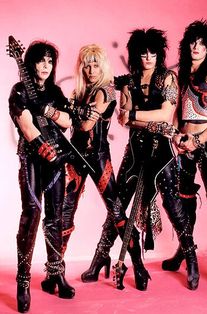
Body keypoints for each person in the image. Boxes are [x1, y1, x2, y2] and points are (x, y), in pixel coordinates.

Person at [81, 28, 199, 291]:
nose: (148, 57)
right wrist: (138, 117)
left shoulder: (166, 77)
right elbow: (123, 119)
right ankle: (101, 256)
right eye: (143, 52)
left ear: (159, 54)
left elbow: (166, 115)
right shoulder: (129, 81)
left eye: (152, 52)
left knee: (172, 204)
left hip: (162, 152)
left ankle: (191, 256)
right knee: (118, 203)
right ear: (136, 55)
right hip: (135, 151)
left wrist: (135, 115)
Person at [60, 44, 150, 291]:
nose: (90, 69)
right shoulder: (81, 91)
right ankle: (56, 270)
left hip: (99, 159)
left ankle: (139, 265)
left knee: (117, 212)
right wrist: (70, 110)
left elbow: (86, 125)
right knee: (65, 213)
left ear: (103, 65)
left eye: (95, 64)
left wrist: (69, 110)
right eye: (86, 64)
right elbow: (70, 118)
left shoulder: (107, 90)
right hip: (75, 158)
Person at [161, 20, 207, 297]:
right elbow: (179, 107)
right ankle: (185, 247)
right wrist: (178, 137)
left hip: (205, 144)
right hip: (183, 144)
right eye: (193, 42)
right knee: (183, 198)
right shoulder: (179, 73)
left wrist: (200, 139)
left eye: (202, 43)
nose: (196, 47)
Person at [9, 40, 75, 313]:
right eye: (41, 60)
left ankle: (55, 273)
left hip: (56, 161)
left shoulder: (56, 92)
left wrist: (50, 112)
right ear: (30, 63)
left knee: (56, 216)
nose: (46, 66)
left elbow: (67, 121)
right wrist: (41, 146)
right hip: (33, 160)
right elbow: (24, 121)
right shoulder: (20, 90)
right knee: (32, 214)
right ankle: (23, 281)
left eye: (50, 61)